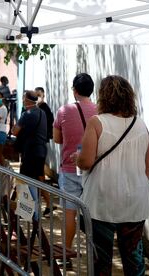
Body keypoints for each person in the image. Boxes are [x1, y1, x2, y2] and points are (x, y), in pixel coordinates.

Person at [76, 75, 149, 276]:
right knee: (134, 259)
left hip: (102, 200)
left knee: (101, 261)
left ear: (104, 97)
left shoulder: (97, 122)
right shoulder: (141, 124)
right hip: (135, 201)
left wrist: (77, 157)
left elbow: (85, 162)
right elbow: (148, 166)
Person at [52, 74, 97, 250]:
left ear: (75, 90)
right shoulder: (99, 111)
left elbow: (56, 139)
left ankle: (67, 250)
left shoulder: (64, 111)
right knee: (93, 214)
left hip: (69, 168)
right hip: (93, 168)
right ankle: (94, 252)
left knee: (69, 213)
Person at [11, 90, 47, 203]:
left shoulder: (27, 114)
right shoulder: (42, 113)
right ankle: (48, 204)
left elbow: (15, 131)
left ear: (26, 100)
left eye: (23, 98)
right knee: (39, 178)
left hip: (30, 151)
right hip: (41, 150)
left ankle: (28, 211)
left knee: (25, 181)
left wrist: (14, 128)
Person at [34, 86, 56, 217]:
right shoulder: (34, 109)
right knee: (37, 175)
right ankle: (45, 204)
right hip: (35, 146)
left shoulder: (44, 108)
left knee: (39, 176)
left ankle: (48, 203)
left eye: (39, 95)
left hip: (39, 145)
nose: (37, 97)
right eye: (35, 95)